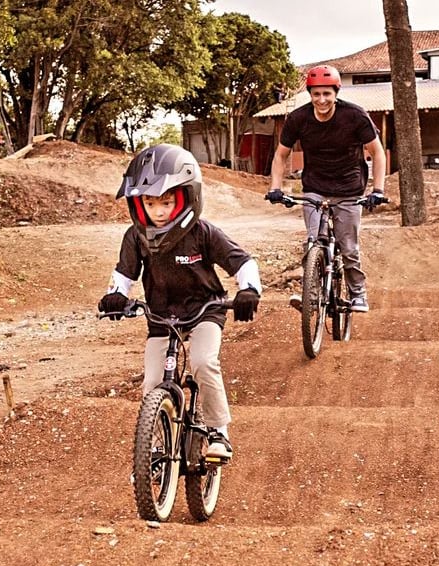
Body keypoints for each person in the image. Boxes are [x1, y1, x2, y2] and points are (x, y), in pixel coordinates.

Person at [98, 144, 262, 462]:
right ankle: (156, 445)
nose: (159, 211)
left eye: (167, 201)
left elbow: (243, 262)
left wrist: (248, 291)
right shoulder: (136, 236)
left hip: (206, 310)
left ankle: (218, 432)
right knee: (152, 382)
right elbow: (123, 273)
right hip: (161, 316)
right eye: (150, 202)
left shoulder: (203, 232)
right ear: (138, 203)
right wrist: (116, 295)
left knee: (203, 362)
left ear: (187, 196)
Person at [265, 64, 387, 313]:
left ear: (336, 92)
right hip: (315, 187)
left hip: (349, 188)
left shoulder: (354, 116)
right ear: (309, 94)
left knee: (348, 247)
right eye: (316, 94)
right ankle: (310, 294)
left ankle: (358, 293)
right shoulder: (298, 118)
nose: (321, 100)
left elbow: (377, 152)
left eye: (327, 94)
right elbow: (280, 156)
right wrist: (276, 187)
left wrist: (378, 190)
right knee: (313, 241)